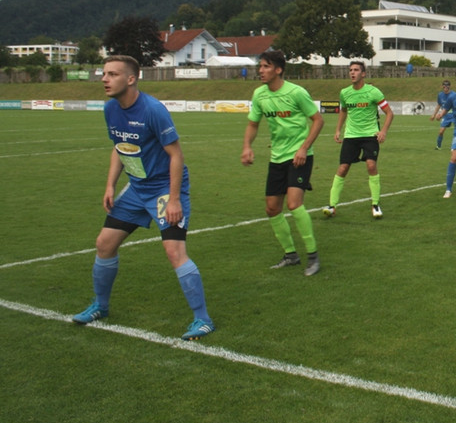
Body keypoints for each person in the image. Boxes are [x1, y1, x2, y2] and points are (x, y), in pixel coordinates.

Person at [72, 55, 214, 340]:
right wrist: (110, 185)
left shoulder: (153, 110)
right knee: (104, 244)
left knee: (174, 252)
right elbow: (118, 147)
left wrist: (174, 200)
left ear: (131, 79)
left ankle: (203, 319)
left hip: (164, 188)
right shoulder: (111, 109)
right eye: (104, 73)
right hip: (136, 188)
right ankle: (100, 305)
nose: (104, 78)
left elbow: (176, 156)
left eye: (112, 74)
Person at [241, 50, 324, 276]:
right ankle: (291, 255)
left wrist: (304, 148)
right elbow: (253, 124)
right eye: (260, 67)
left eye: (266, 67)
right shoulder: (259, 95)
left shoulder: (297, 93)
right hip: (276, 157)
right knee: (271, 208)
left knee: (294, 204)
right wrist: (247, 146)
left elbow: (318, 120)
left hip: (300, 156)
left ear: (278, 70)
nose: (261, 71)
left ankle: (313, 256)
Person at [325, 61, 395, 219]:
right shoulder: (344, 93)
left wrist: (383, 131)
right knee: (342, 168)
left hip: (370, 135)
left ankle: (375, 205)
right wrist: (338, 129)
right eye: (350, 70)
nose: (352, 73)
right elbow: (343, 110)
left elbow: (389, 113)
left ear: (363, 74)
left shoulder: (373, 92)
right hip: (351, 136)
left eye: (356, 70)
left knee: (371, 165)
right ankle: (332, 206)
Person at [430, 80, 456, 150]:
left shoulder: (454, 95)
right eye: (444, 86)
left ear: (449, 86)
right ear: (442, 86)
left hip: (454, 114)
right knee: (441, 131)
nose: (445, 88)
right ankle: (438, 146)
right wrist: (434, 114)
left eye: (447, 86)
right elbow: (439, 105)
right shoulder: (440, 95)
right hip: (445, 115)